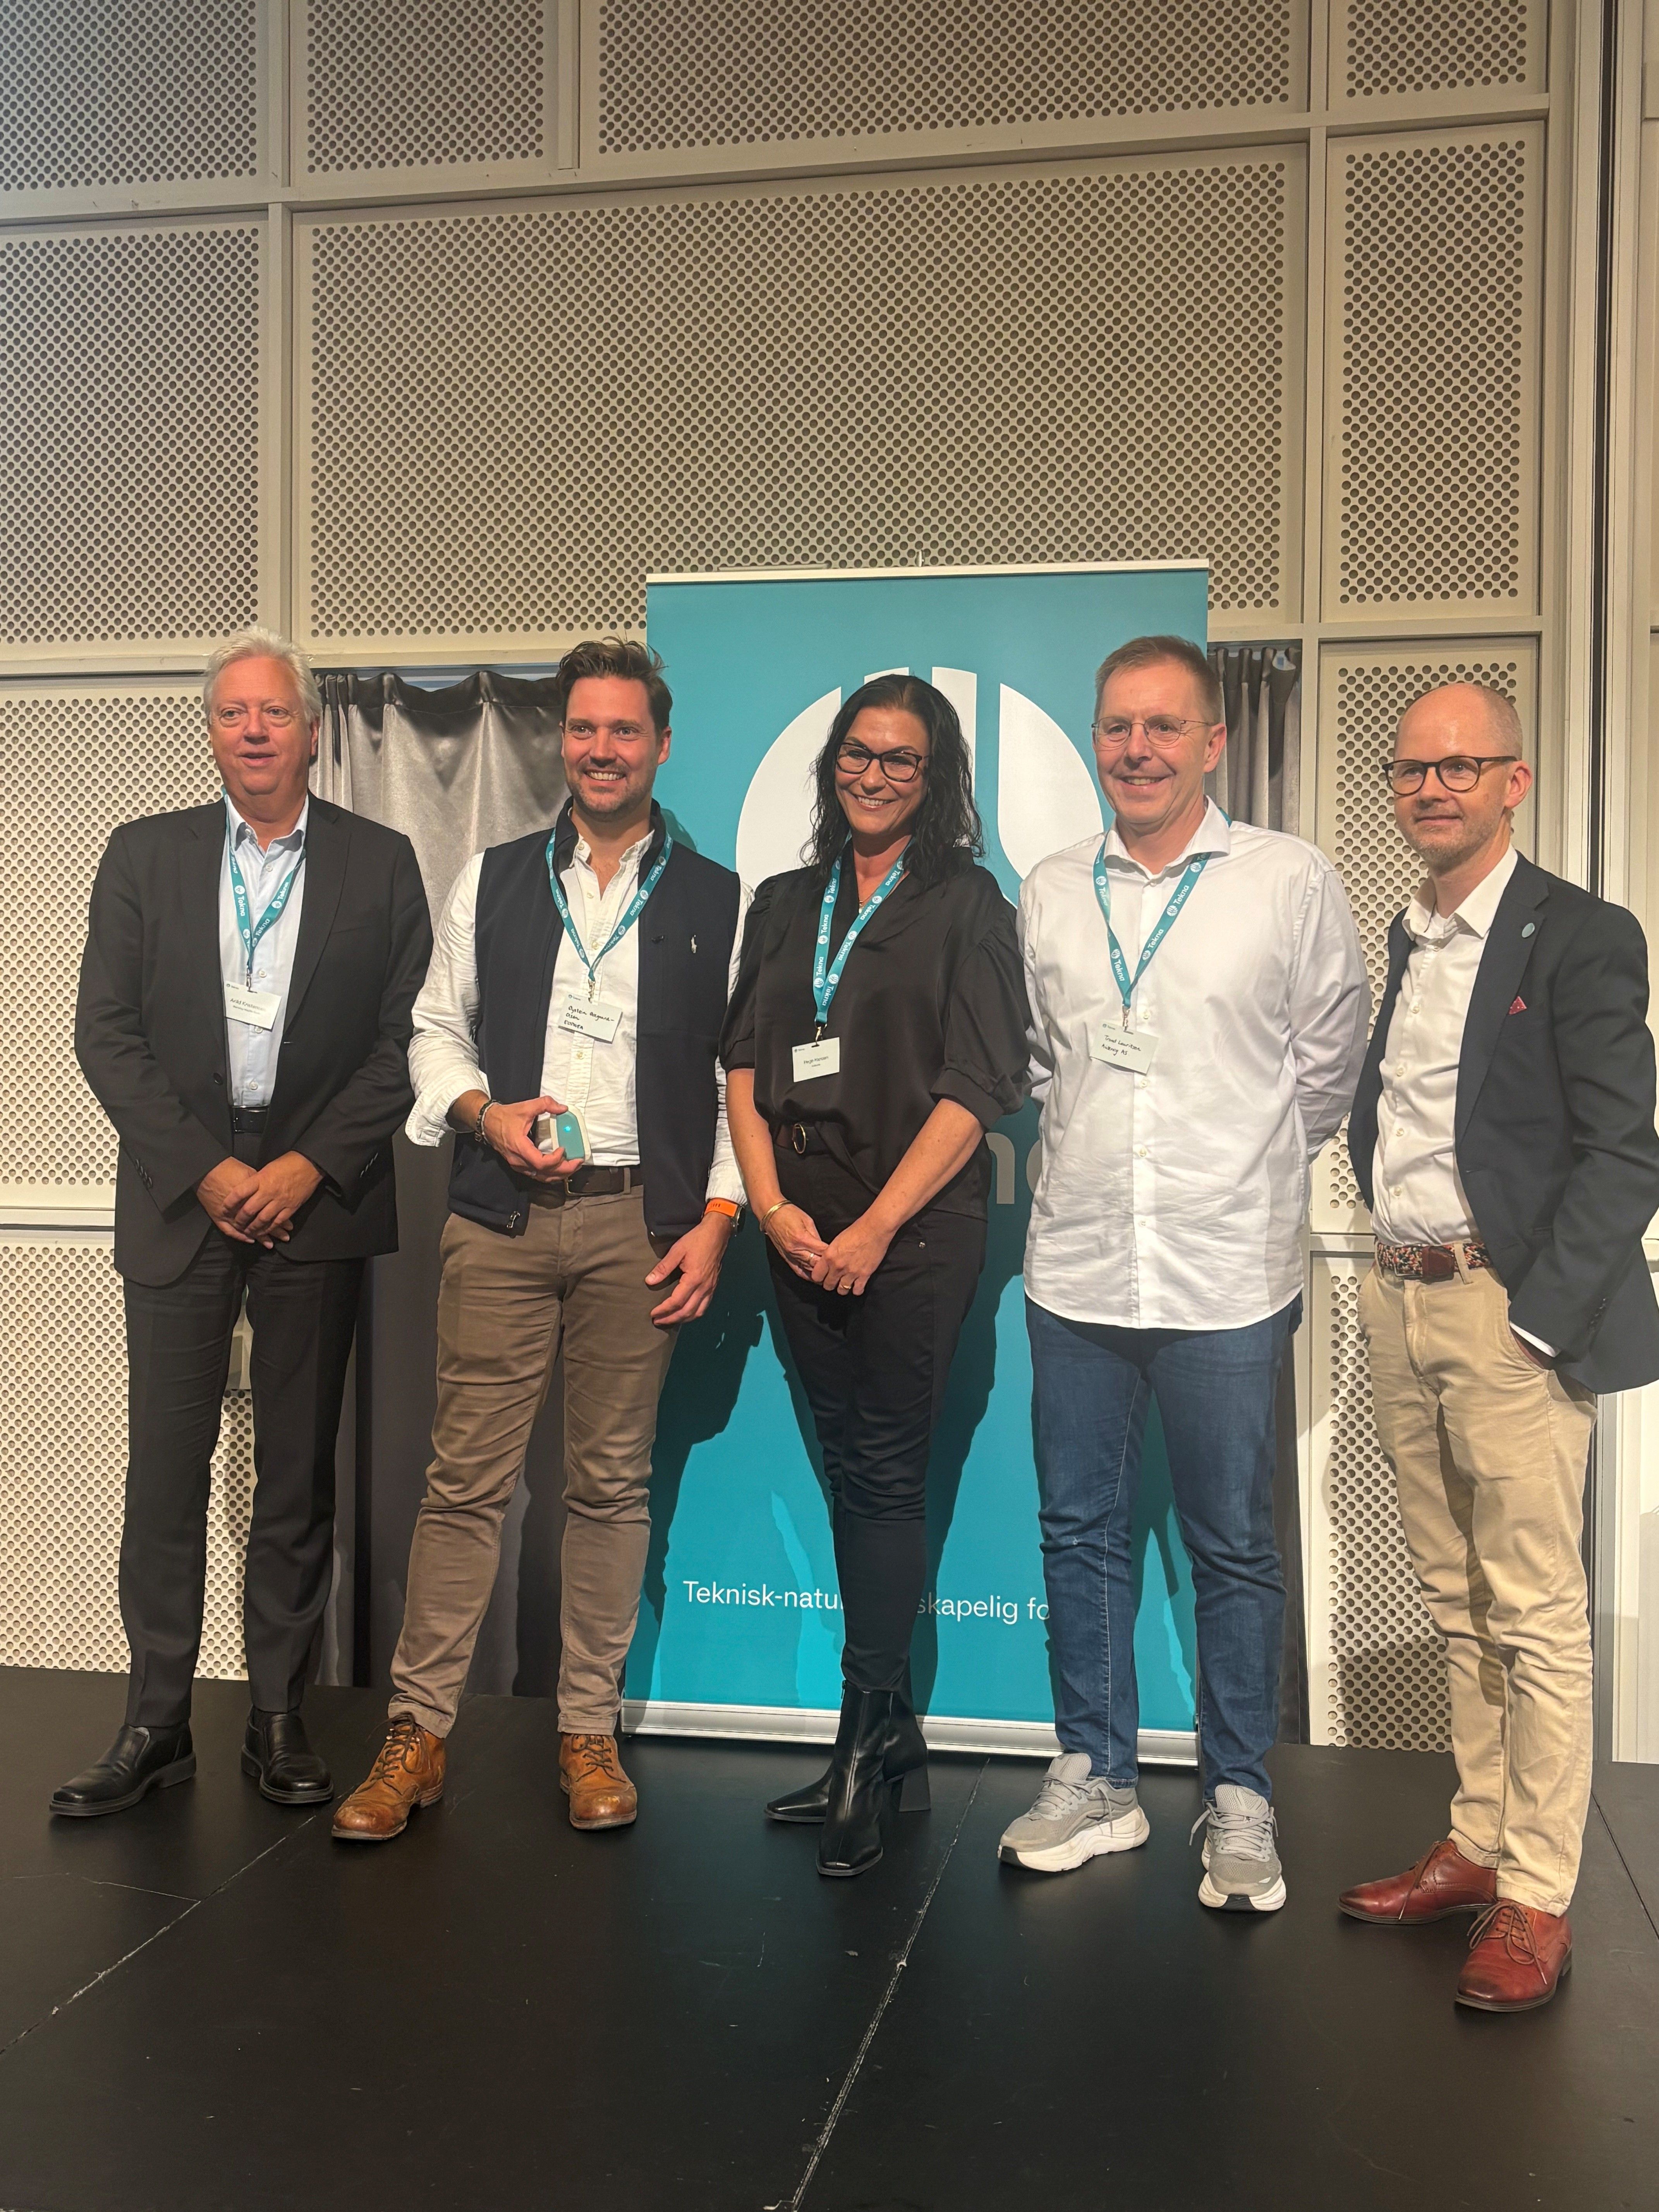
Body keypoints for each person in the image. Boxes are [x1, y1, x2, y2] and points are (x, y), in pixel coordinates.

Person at [333, 639, 746, 1843]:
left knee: (609, 1488)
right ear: (559, 740)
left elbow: (740, 1083)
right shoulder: (495, 878)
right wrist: (484, 1113)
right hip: (501, 1217)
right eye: (582, 729)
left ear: (661, 745)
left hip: (643, 1222)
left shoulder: (719, 899)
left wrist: (720, 1220)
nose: (601, 750)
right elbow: (432, 1030)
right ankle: (418, 1734)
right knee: (465, 1483)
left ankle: (587, 1730)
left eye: (623, 731)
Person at [1002, 634, 1368, 1909]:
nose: (1137, 750)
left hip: (1224, 1272)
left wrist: (1235, 1170)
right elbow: (1040, 1065)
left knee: (1232, 1545)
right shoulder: (1050, 888)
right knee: (1077, 1531)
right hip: (1079, 1267)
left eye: (1163, 727)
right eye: (1116, 727)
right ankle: (1095, 1776)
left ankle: (1239, 1795)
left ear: (1213, 742)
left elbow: (1326, 1070)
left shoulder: (1286, 880)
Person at [55, 630, 432, 1818]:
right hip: (184, 1196)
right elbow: (105, 1032)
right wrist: (209, 1170)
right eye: (233, 714)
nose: (255, 731)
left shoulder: (380, 861)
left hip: (316, 1198)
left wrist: (309, 1165)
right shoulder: (144, 854)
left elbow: (406, 1039)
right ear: (212, 734)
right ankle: (156, 1721)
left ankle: (278, 1714)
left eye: (275, 713)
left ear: (313, 733)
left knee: (296, 1473)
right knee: (165, 1470)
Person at [1339, 681, 1659, 2009]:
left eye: (1460, 767)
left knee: (1533, 1613)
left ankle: (1535, 1892)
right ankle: (1477, 1840)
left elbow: (1624, 1151)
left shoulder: (1578, 935)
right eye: (1413, 769)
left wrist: (1534, 1321)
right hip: (1402, 1297)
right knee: (1455, 1595)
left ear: (1513, 782)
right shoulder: (1411, 931)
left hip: (1503, 1311)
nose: (1432, 788)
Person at [721, 673, 1030, 1879]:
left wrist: (872, 1229)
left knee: (888, 1476)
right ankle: (888, 1734)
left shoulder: (966, 904)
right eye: (858, 752)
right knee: (848, 1471)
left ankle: (864, 1738)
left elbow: (978, 1085)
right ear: (831, 762)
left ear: (933, 776)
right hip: (799, 1229)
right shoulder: (783, 900)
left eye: (901, 759)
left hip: (912, 1234)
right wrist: (773, 1211)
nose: (874, 775)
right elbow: (741, 1066)